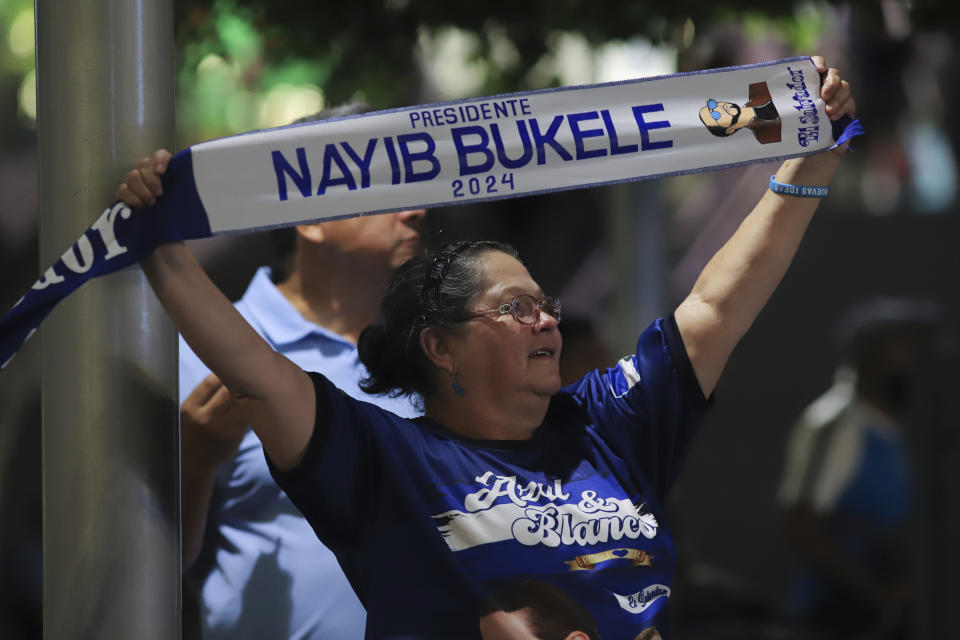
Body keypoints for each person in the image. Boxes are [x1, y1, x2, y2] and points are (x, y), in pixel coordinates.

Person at [118, 57, 854, 638]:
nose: (548, 323)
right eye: (516, 308)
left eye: (547, 306)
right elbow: (260, 375)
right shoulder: (389, 463)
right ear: (441, 347)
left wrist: (809, 167)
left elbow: (716, 306)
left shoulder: (612, 424)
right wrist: (162, 245)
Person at [173, 105, 426, 640]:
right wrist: (192, 460)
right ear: (310, 218)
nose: (419, 208)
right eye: (392, 184)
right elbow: (142, 564)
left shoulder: (434, 353)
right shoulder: (200, 355)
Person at [778, 298, 938, 639]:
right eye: (905, 349)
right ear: (871, 357)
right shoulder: (835, 423)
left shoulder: (894, 430)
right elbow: (800, 525)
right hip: (841, 619)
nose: (915, 362)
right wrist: (878, 594)